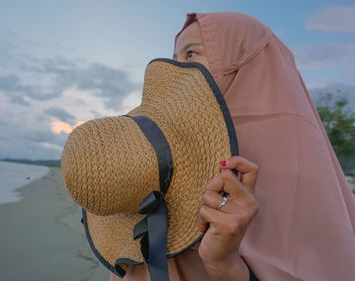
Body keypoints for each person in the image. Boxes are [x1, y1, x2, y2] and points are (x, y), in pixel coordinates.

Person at [110, 12, 355, 281]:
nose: (175, 70)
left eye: (191, 55)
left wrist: (225, 265)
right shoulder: (172, 134)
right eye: (175, 58)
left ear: (244, 62)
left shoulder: (293, 160)